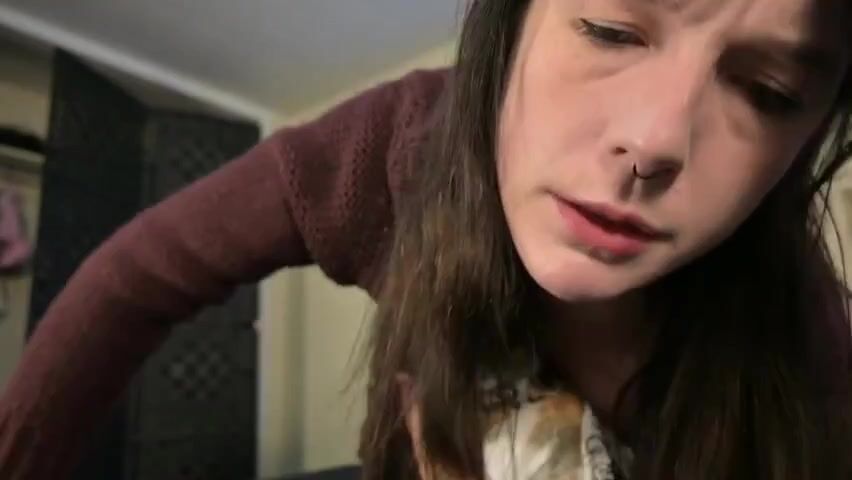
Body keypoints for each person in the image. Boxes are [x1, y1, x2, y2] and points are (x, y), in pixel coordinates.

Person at [0, 0, 849, 478]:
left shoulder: (796, 310)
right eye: (610, 28)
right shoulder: (388, 149)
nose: (655, 140)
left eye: (770, 92)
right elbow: (131, 279)